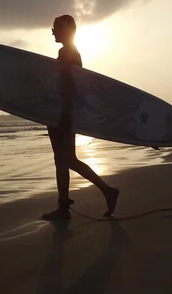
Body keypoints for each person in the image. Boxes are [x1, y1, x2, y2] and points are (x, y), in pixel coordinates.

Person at [42, 14, 119, 221]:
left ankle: (107, 190)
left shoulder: (67, 53)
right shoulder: (72, 52)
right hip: (62, 111)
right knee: (62, 160)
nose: (53, 32)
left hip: (63, 112)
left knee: (67, 160)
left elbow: (69, 86)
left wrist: (65, 113)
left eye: (56, 28)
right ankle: (63, 206)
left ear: (66, 30)